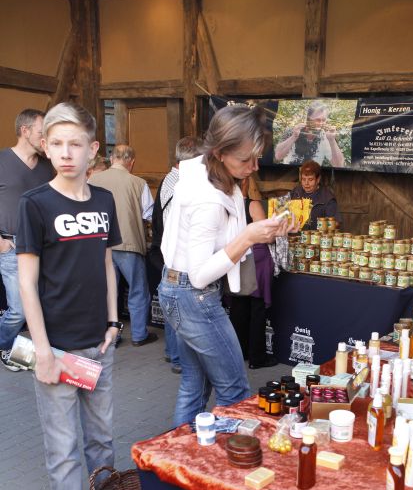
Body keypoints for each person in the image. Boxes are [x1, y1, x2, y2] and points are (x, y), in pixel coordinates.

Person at [16, 102, 122, 490]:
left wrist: (113, 323)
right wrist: (42, 351)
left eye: (75, 144)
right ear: (45, 145)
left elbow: (107, 264)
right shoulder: (34, 204)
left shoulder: (104, 199)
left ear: (92, 149)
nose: (66, 152)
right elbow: (26, 283)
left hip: (98, 345)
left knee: (102, 439)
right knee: (63, 448)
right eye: (57, 143)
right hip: (57, 350)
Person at [159, 104, 293, 427]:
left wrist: (267, 229)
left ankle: (182, 454)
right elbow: (200, 274)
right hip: (194, 295)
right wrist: (248, 237)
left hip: (177, 289)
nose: (254, 167)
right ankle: (231, 455)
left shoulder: (206, 173)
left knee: (194, 386)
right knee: (235, 391)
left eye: (257, 158)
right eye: (246, 160)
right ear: (219, 152)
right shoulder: (208, 198)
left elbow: (227, 235)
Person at [0, 109, 53, 371]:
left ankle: (29, 353)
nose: (45, 139)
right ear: (25, 131)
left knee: (41, 304)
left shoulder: (47, 167)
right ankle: (5, 347)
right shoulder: (2, 161)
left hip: (43, 246)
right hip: (11, 246)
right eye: (42, 133)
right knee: (18, 310)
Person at [89, 144, 157, 347]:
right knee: (138, 290)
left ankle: (111, 335)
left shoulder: (93, 180)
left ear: (111, 159)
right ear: (131, 162)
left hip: (100, 245)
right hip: (129, 244)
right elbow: (149, 214)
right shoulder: (138, 183)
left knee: (109, 292)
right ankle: (139, 335)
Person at [149, 136, 202, 374]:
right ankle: (179, 358)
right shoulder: (181, 184)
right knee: (179, 308)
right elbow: (176, 227)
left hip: (166, 256)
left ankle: (173, 353)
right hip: (175, 259)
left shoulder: (168, 180)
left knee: (173, 308)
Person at [229, 174, 277, 369]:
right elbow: (267, 237)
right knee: (257, 309)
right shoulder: (252, 205)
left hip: (235, 258)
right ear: (245, 182)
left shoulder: (224, 206)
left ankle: (240, 352)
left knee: (238, 308)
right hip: (255, 260)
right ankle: (257, 358)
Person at [274, 101, 345, 167]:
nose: (321, 123)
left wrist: (332, 140)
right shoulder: (293, 131)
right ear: (308, 119)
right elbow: (278, 156)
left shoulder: (327, 136)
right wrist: (294, 137)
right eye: (317, 120)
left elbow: (338, 165)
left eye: (323, 120)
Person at [290, 159, 341, 231]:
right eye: (303, 179)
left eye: (310, 179)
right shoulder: (296, 192)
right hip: (295, 236)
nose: (306, 183)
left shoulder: (328, 198)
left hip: (316, 236)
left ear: (318, 179)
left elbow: (336, 223)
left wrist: (322, 226)